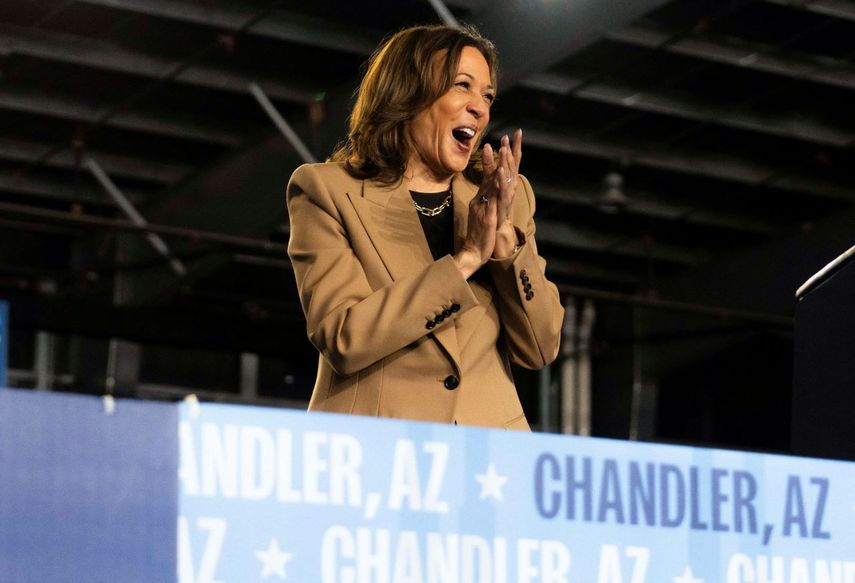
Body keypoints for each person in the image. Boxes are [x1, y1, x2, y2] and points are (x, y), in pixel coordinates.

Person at [286, 24, 563, 430]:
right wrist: (466, 260)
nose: (480, 108)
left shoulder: (506, 195)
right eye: (462, 86)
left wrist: (505, 240)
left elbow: (540, 348)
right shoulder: (327, 191)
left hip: (486, 462)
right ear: (407, 94)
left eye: (487, 95)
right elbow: (344, 338)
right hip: (376, 452)